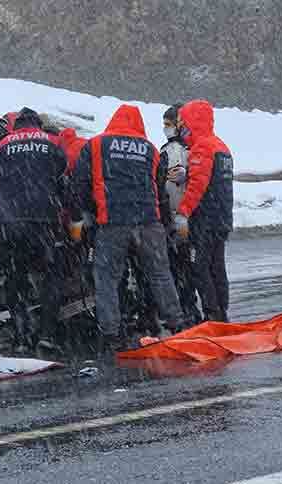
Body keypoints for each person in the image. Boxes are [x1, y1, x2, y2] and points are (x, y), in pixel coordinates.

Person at [70, 104, 186, 352]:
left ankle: (111, 334)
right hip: (149, 221)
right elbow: (161, 191)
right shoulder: (150, 149)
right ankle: (177, 324)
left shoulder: (96, 145)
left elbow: (79, 184)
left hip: (112, 223)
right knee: (160, 274)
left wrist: (88, 214)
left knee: (107, 280)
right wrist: (166, 225)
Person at [0, 107, 69, 352]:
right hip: (44, 218)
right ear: (38, 124)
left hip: (10, 220)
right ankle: (47, 334)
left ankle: (21, 336)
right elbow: (61, 176)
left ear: (17, 125)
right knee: (51, 275)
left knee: (15, 276)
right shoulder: (53, 142)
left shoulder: (1, 144)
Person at [174, 99, 234, 322]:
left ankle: (211, 313)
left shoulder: (201, 148)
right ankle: (222, 311)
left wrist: (183, 212)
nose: (181, 129)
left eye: (183, 124)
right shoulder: (221, 146)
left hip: (205, 220)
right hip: (222, 218)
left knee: (200, 267)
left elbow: (198, 186)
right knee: (217, 266)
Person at [161, 104, 203, 325]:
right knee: (187, 268)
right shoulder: (190, 148)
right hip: (185, 216)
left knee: (181, 268)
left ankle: (186, 312)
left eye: (169, 124)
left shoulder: (175, 151)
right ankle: (191, 311)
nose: (166, 129)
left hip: (179, 217)